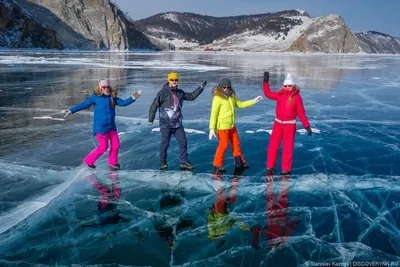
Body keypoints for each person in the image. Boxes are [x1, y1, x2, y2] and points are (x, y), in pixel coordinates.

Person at [63, 78, 142, 170]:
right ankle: (88, 161)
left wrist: (134, 97)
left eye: (108, 87)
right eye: (104, 87)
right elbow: (84, 105)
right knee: (103, 147)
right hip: (100, 127)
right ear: (100, 88)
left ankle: (113, 162)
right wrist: (71, 110)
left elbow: (123, 103)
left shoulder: (112, 97)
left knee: (116, 144)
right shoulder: (95, 97)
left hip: (111, 126)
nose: (106, 89)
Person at [148, 72, 207, 171]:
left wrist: (201, 88)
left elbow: (192, 96)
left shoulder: (180, 92)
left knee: (183, 142)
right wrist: (151, 119)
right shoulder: (162, 93)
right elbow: (154, 105)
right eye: (172, 80)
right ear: (168, 81)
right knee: (165, 143)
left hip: (177, 124)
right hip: (165, 125)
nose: (174, 82)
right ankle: (163, 162)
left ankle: (183, 162)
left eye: (176, 80)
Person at [209, 78, 263, 172]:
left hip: (231, 125)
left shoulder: (231, 96)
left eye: (228, 87)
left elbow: (240, 104)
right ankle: (217, 164)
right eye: (224, 87)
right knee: (224, 145)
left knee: (236, 143)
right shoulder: (217, 98)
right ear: (220, 87)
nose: (226, 89)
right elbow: (214, 114)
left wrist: (253, 101)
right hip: (222, 127)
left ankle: (239, 162)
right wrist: (212, 128)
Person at [263, 72, 311, 175]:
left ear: (293, 86)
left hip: (290, 125)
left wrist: (306, 125)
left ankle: (286, 169)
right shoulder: (280, 95)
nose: (287, 87)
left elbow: (301, 113)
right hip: (278, 124)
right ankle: (270, 167)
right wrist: (265, 82)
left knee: (287, 148)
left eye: (289, 86)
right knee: (273, 147)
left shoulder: (297, 98)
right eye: (285, 86)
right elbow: (267, 94)